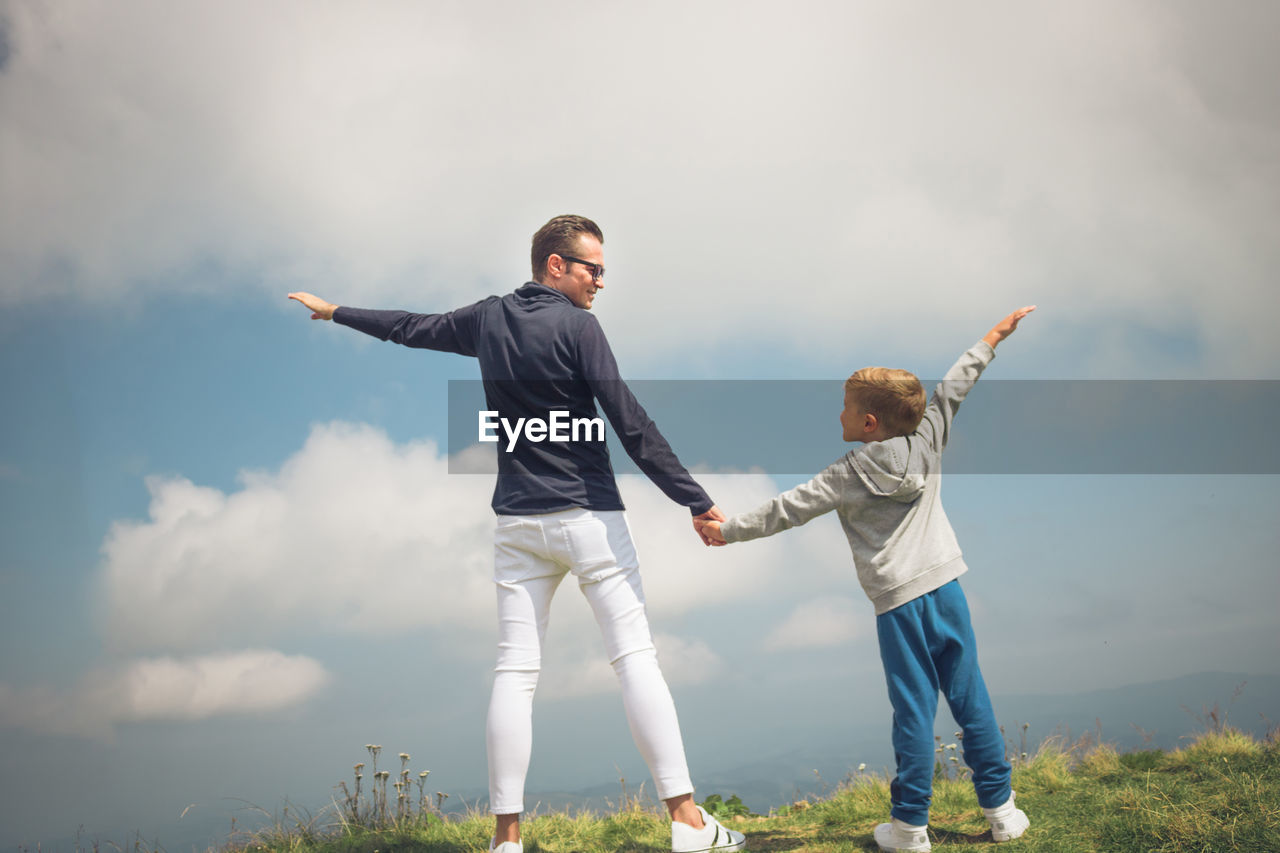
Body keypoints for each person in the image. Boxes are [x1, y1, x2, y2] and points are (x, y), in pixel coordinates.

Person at [288, 215, 746, 853]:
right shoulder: (579, 327)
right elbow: (628, 421)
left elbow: (409, 328)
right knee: (635, 660)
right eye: (593, 269)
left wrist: (336, 311)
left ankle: (507, 842)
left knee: (515, 672)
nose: (601, 283)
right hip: (587, 516)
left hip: (516, 523)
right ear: (554, 265)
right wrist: (695, 501)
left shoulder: (488, 319)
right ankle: (689, 824)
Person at [698, 306, 1037, 852]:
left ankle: (909, 830)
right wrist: (992, 338)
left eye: (847, 408)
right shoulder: (929, 441)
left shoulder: (845, 474)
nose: (840, 415)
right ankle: (1002, 813)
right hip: (947, 589)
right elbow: (956, 387)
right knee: (971, 699)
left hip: (899, 605)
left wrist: (727, 531)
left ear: (869, 424)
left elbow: (786, 509)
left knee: (913, 712)